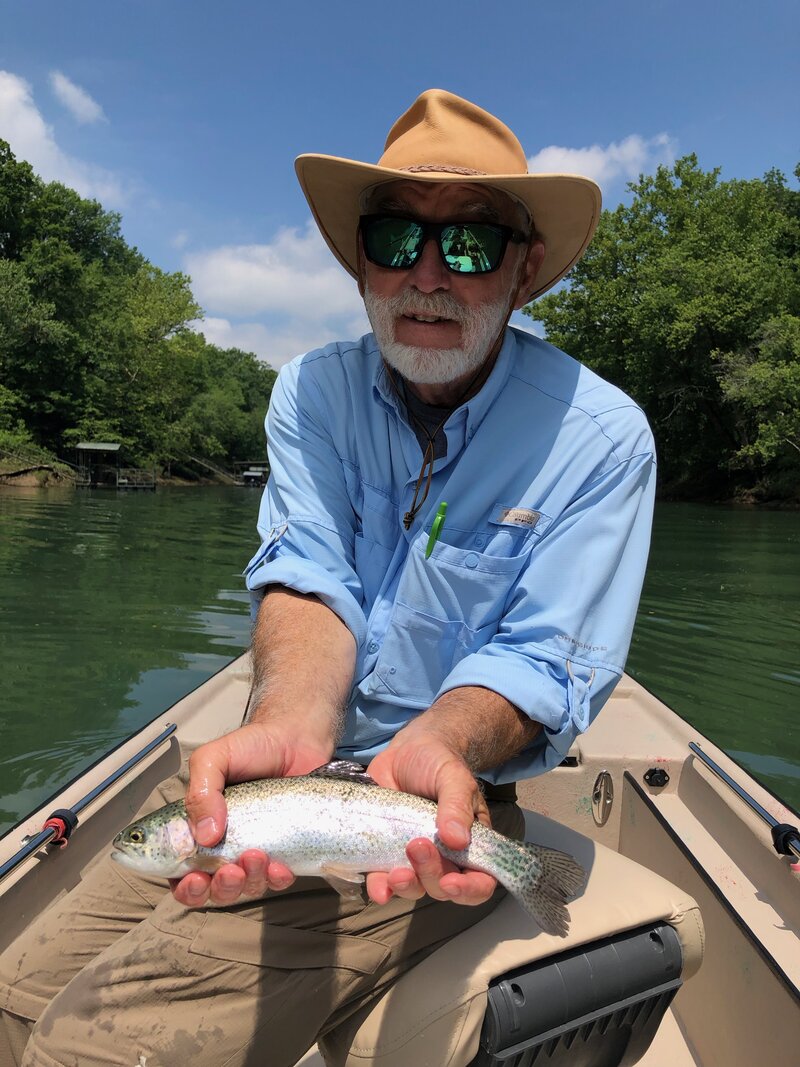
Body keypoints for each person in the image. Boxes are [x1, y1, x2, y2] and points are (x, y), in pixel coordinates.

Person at [0, 89, 656, 1067]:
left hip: (435, 807)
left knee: (79, 1049)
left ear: (522, 272)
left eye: (470, 245)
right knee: (14, 998)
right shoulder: (310, 390)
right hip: (288, 780)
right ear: (360, 260)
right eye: (396, 237)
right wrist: (287, 718)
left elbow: (542, 656)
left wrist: (438, 739)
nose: (428, 273)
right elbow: (309, 577)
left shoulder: (601, 440)